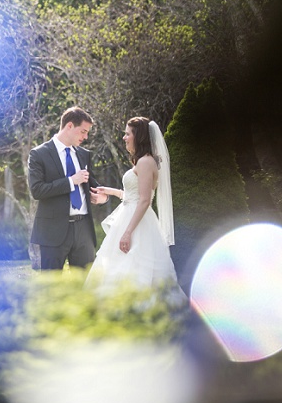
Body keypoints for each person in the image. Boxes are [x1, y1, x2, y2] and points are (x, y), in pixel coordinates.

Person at [84, 116, 186, 301]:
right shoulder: (141, 161)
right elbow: (133, 196)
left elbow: (145, 200)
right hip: (130, 216)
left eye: (127, 133)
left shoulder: (145, 162)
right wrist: (111, 191)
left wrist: (127, 232)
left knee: (135, 267)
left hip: (137, 224)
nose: (124, 137)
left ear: (137, 136)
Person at [28, 107, 109, 270]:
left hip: (84, 231)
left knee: (85, 286)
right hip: (53, 232)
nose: (85, 137)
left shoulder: (84, 154)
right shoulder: (39, 154)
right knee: (51, 287)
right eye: (83, 132)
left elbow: (93, 184)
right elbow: (37, 190)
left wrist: (103, 198)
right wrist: (71, 181)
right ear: (70, 126)